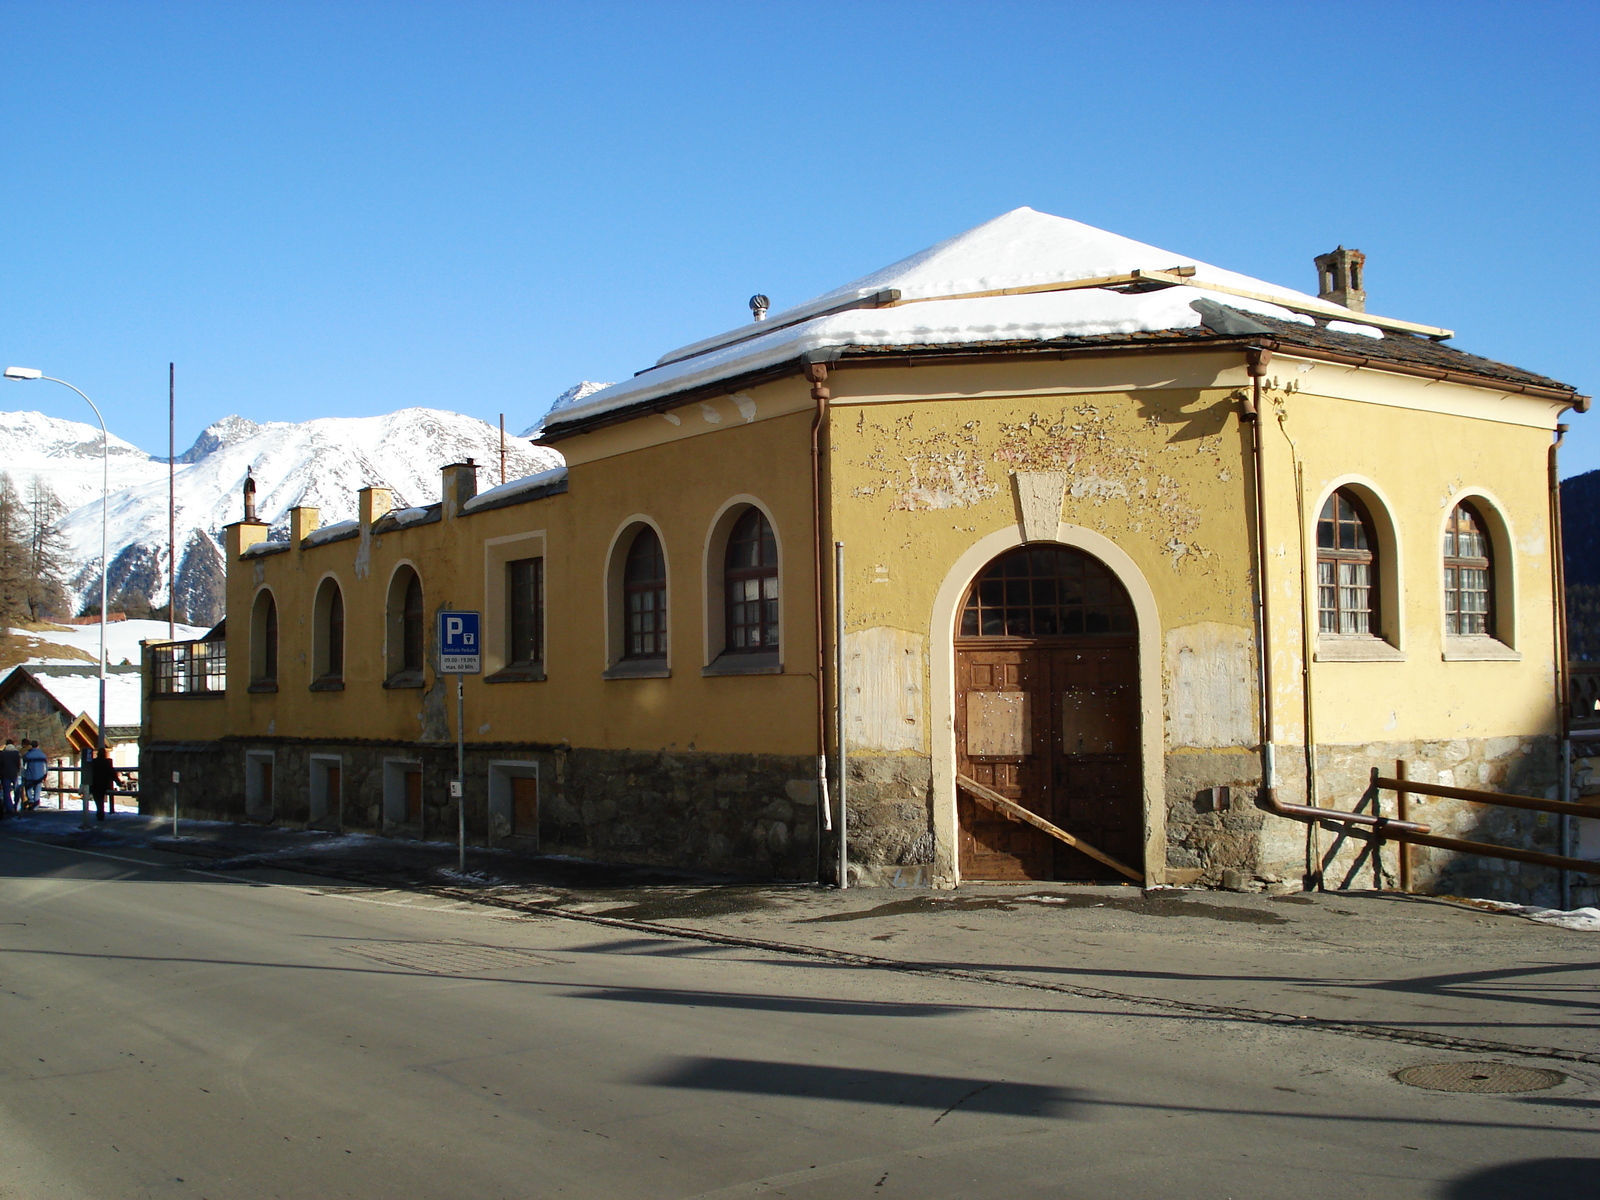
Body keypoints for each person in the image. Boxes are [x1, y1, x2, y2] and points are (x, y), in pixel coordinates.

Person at [88, 749, 120, 823]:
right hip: (103, 783)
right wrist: (118, 781)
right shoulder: (106, 762)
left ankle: (100, 811)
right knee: (101, 798)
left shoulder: (93, 762)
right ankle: (100, 812)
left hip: (94, 783)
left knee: (97, 798)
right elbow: (112, 773)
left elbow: (89, 772)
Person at [21, 741, 48, 811]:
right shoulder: (42, 755)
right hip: (39, 775)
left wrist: (23, 774)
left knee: (28, 789)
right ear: (38, 746)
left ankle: (30, 801)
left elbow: (23, 766)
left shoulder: (27, 755)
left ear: (31, 746)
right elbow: (45, 766)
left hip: (29, 775)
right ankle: (35, 805)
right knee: (37, 790)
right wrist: (45, 775)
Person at [0, 739, 19, 817]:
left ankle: (9, 807)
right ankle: (17, 806)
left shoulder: (2, 754)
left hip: (5, 774)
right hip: (15, 774)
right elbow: (19, 764)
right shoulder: (17, 753)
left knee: (6, 792)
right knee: (17, 790)